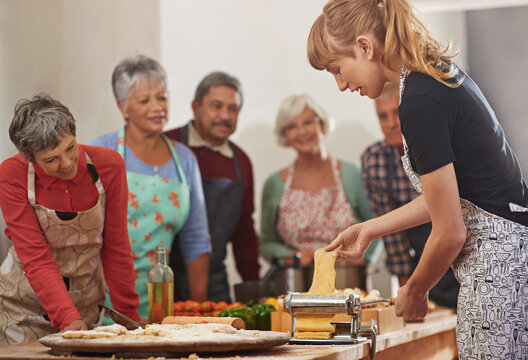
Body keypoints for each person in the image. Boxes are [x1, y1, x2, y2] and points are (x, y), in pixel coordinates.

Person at [307, 0, 528, 358]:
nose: (341, 85)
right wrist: (370, 228)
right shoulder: (432, 76)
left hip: (498, 267)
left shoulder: (419, 101)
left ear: (365, 47)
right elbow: (450, 196)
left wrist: (415, 289)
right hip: (512, 257)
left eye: (337, 69)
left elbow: (450, 230)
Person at [0, 95, 140, 345]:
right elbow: (34, 255)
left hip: (85, 307)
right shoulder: (11, 175)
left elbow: (116, 247)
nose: (66, 164)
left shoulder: (109, 165)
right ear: (29, 158)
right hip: (22, 309)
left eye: (70, 148)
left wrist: (129, 319)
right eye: (51, 160)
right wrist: (67, 319)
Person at [89, 55, 211, 318]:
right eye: (145, 100)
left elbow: (197, 241)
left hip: (159, 300)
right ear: (123, 107)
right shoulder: (100, 152)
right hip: (99, 299)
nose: (157, 107)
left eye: (162, 97)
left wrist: (197, 310)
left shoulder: (185, 160)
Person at [260, 94, 381, 288]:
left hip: (348, 282)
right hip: (296, 286)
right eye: (292, 126)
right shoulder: (274, 184)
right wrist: (291, 257)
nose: (301, 132)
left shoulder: (351, 175)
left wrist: (363, 257)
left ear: (322, 124)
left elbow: (378, 226)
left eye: (308, 122)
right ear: (285, 135)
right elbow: (266, 243)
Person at [165, 71, 260, 302]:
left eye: (233, 109)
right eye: (216, 106)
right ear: (195, 107)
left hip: (216, 284)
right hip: (164, 280)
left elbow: (244, 233)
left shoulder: (242, 162)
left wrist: (253, 289)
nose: (225, 116)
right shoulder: (167, 146)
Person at [361, 83, 459, 308]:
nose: (391, 124)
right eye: (382, 117)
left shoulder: (436, 145)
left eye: (396, 113)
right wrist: (410, 291)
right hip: (424, 266)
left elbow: (452, 212)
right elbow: (393, 239)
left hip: (464, 252)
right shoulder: (375, 159)